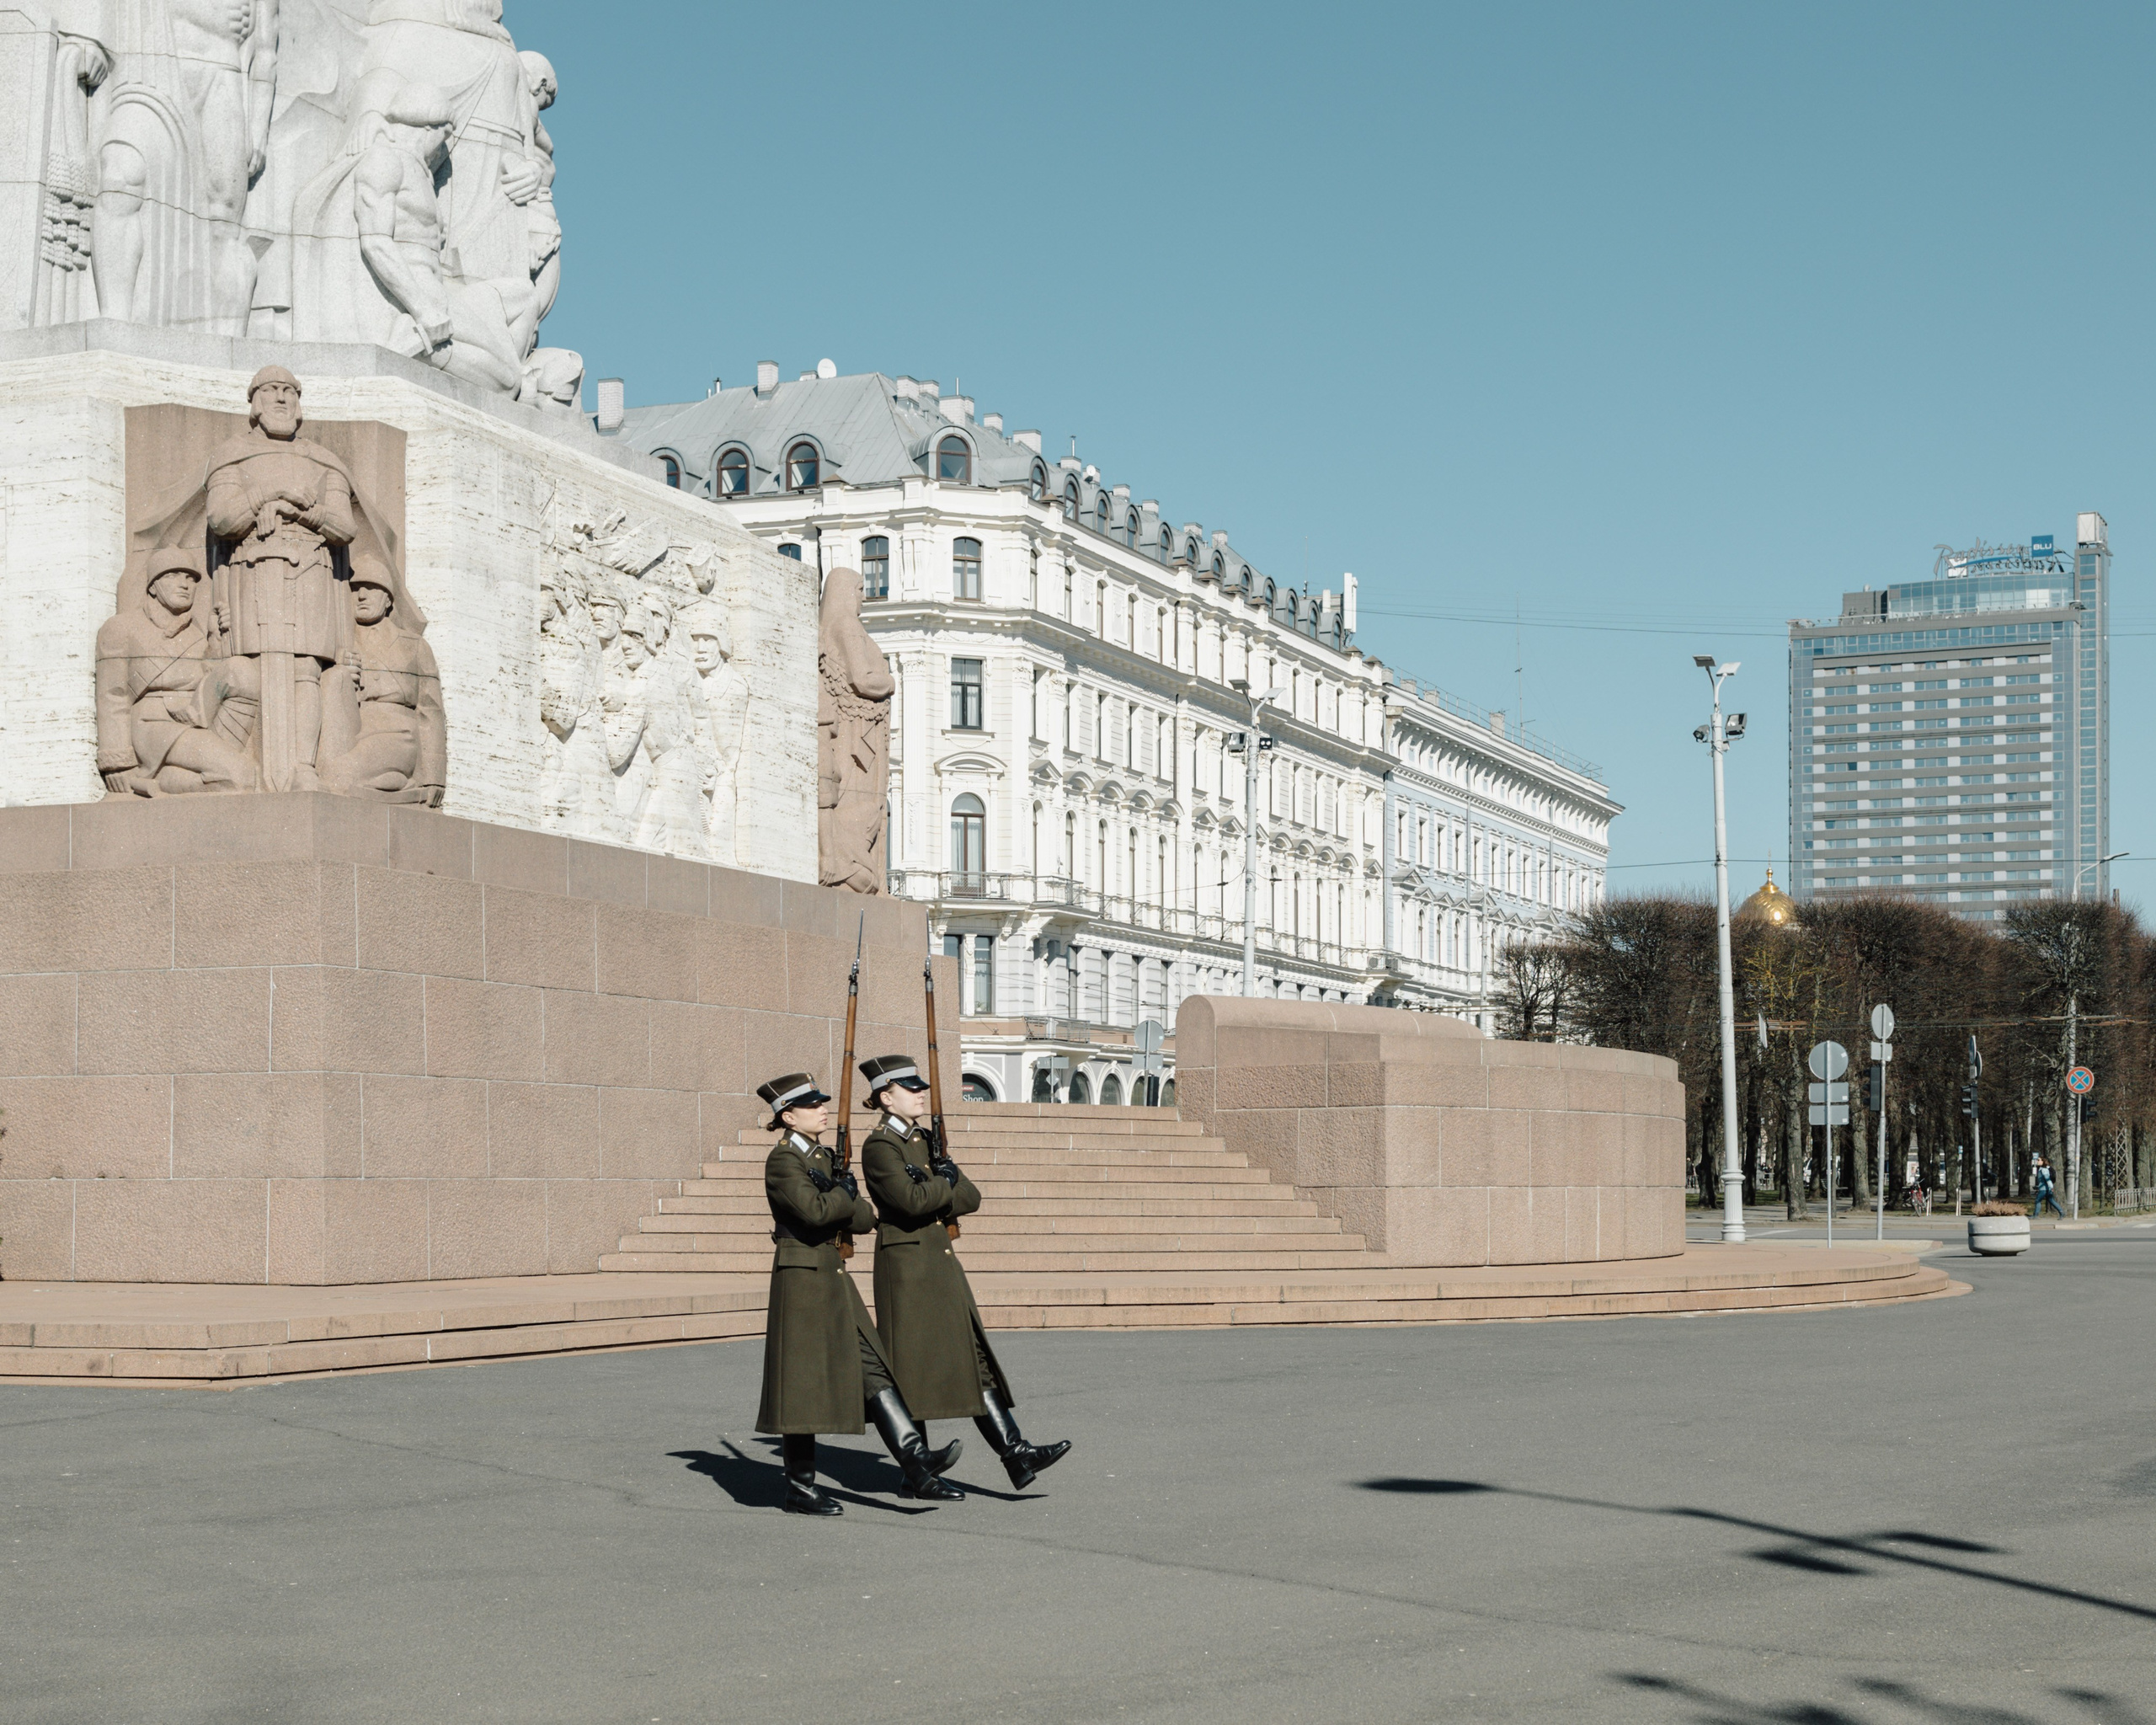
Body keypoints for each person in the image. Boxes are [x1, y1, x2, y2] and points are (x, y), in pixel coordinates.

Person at [753, 1072, 963, 1515]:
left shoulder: (822, 1157)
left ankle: (917, 1465)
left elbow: (865, 1218)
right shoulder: (783, 1161)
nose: (823, 1109)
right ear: (787, 1116)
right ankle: (800, 1487)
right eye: (812, 1106)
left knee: (874, 1368)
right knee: (801, 1386)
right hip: (802, 1279)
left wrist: (841, 1196)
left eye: (822, 1103)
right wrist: (839, 1197)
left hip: (831, 1275)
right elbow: (814, 1212)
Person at [858, 1054, 1071, 1490]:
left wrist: (938, 1182)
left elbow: (970, 1197)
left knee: (974, 1359)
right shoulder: (881, 1146)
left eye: (921, 1087)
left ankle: (1015, 1453)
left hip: (938, 1264)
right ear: (885, 1097)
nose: (921, 1093)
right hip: (909, 1269)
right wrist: (941, 1184)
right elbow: (910, 1202)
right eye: (910, 1088)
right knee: (911, 1366)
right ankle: (918, 1471)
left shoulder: (921, 1141)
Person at [2030, 1153, 2065, 1220]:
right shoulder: (2041, 1169)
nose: (2037, 1161)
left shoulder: (2044, 1170)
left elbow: (2047, 1179)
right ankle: (2061, 1212)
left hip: (2044, 1189)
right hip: (2046, 1188)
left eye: (2039, 1160)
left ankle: (2036, 1215)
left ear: (2043, 1162)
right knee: (2051, 1201)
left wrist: (2051, 1187)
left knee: (2038, 1200)